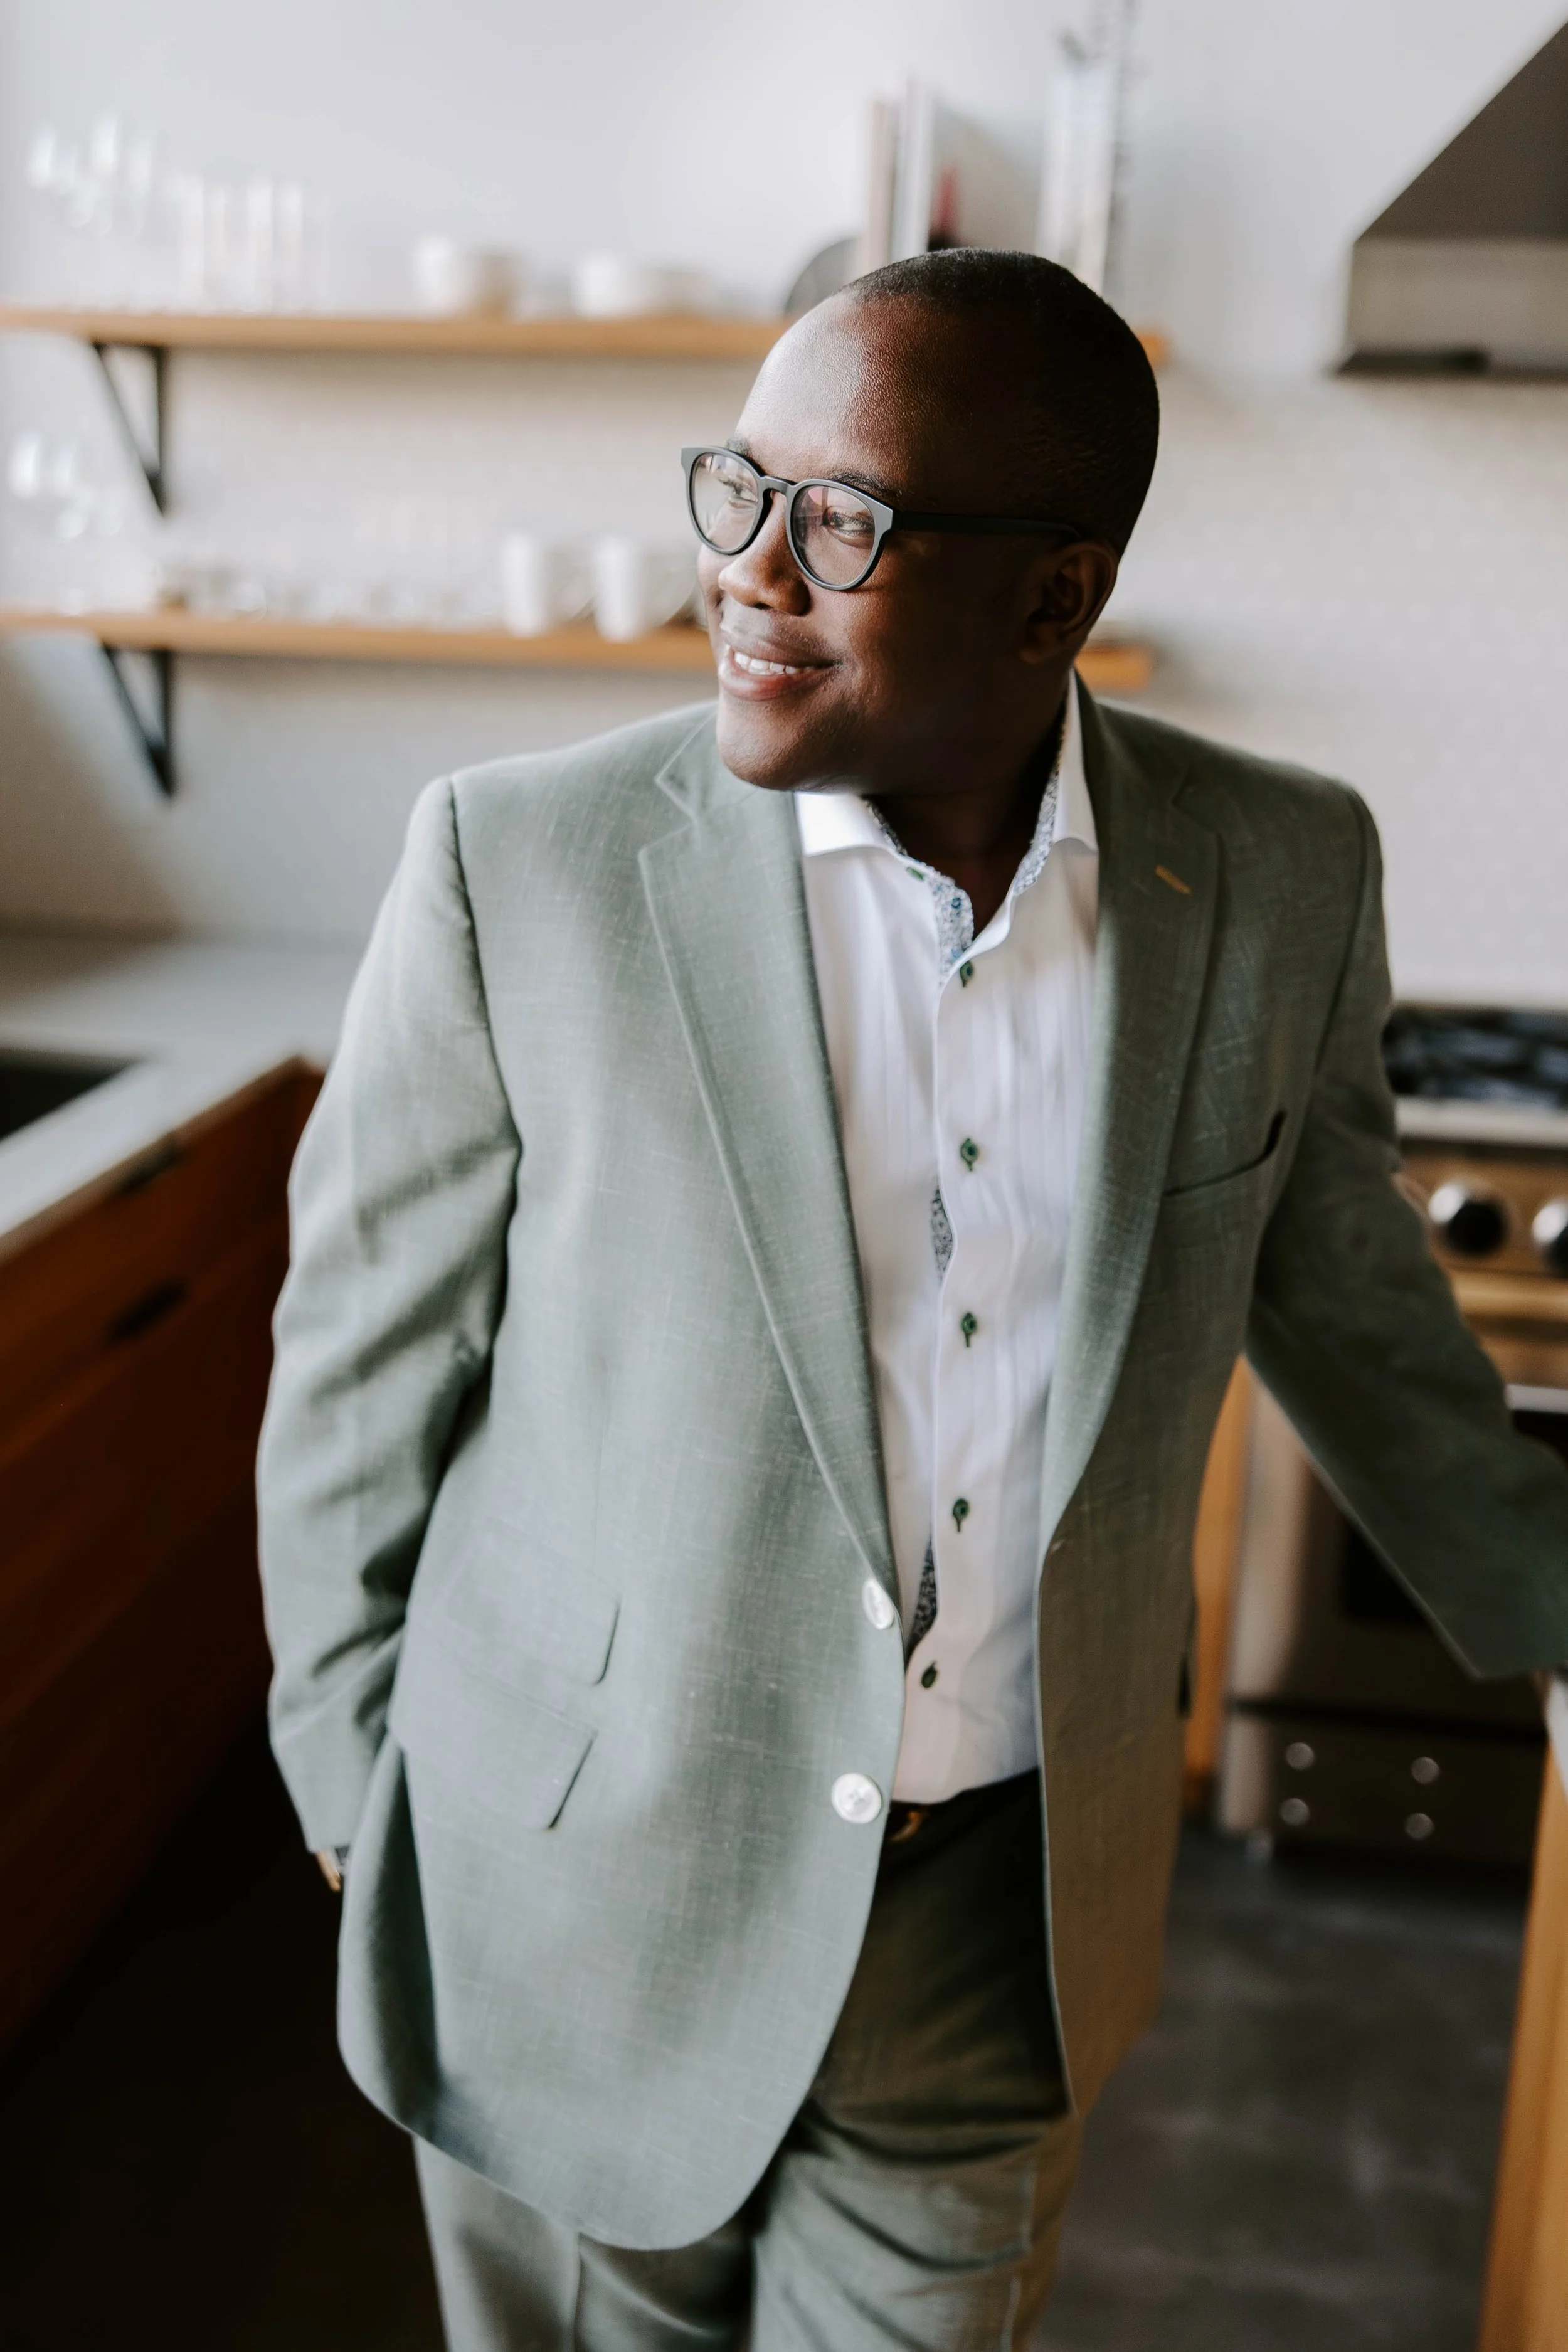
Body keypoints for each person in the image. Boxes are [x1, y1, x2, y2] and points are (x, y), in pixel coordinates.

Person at [257, 250, 1568, 2350]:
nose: (745, 569)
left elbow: (1347, 1298)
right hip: (577, 1889)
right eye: (735, 489)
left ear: (1052, 598)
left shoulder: (1277, 870)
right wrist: (357, 1807)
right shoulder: (520, 864)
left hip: (993, 1922)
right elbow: (359, 1369)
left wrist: (1554, 1603)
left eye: (840, 520)